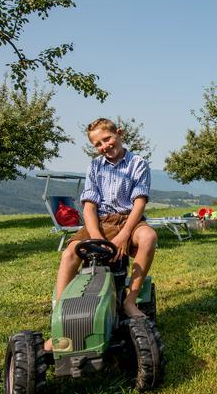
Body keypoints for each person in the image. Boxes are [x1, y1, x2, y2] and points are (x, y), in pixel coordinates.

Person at [54, 118, 157, 321]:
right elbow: (89, 206)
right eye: (98, 144)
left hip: (129, 220)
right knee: (69, 255)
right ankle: (60, 313)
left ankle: (130, 300)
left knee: (149, 237)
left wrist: (124, 235)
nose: (104, 146)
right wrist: (96, 237)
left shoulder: (138, 164)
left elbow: (139, 203)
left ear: (119, 133)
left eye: (107, 139)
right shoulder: (95, 167)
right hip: (101, 221)